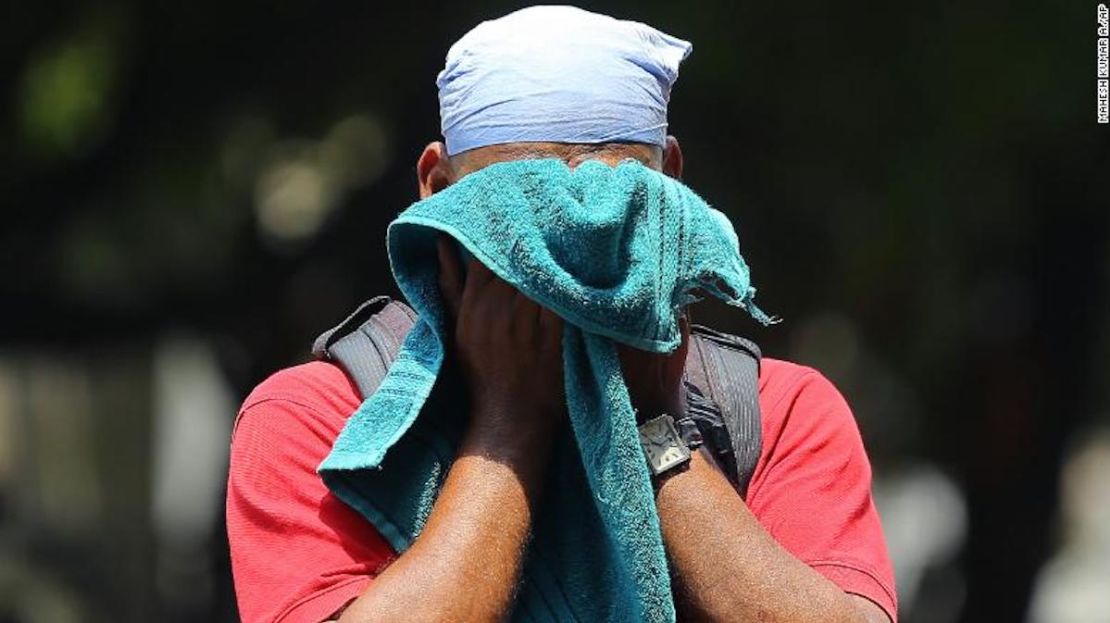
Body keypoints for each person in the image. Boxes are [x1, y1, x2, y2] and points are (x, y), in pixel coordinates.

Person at [226, 6, 897, 623]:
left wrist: (652, 426)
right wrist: (508, 423)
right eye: (522, 213)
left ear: (671, 182)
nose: (561, 262)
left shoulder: (775, 411)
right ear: (435, 188)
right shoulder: (318, 421)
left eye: (604, 210)